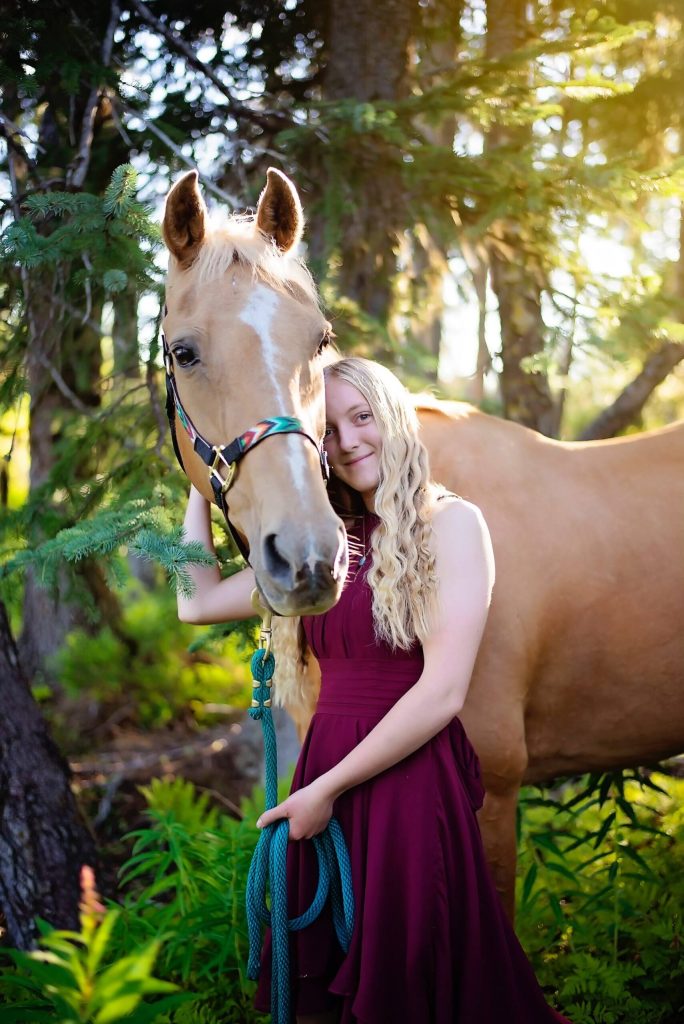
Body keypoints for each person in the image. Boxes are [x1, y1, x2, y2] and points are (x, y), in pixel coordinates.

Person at [179, 357, 571, 1024]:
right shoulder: (327, 544)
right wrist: (200, 481)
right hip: (325, 770)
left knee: (409, 982)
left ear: (393, 418)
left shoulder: (452, 524)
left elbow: (443, 692)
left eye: (362, 417)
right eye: (328, 430)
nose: (349, 440)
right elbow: (197, 601)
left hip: (407, 782)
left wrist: (325, 791)